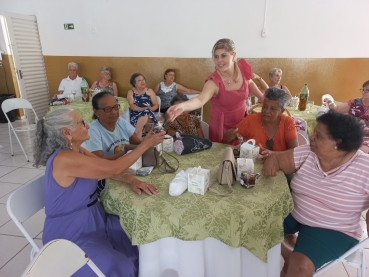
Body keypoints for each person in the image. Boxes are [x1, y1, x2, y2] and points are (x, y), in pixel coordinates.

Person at [33, 108, 165, 277]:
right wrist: (145, 144)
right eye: (81, 123)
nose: (87, 125)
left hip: (93, 218)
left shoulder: (77, 151)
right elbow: (114, 167)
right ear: (66, 132)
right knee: (118, 264)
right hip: (70, 231)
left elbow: (107, 170)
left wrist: (132, 180)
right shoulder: (63, 159)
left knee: (133, 233)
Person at [262, 111, 369, 277]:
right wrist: (272, 160)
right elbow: (279, 159)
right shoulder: (309, 153)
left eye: (318, 136)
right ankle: (286, 255)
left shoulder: (364, 168)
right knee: (253, 224)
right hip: (296, 213)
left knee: (301, 267)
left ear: (338, 143)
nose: (311, 137)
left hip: (334, 229)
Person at [167, 38, 264, 144]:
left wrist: (262, 97)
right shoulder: (213, 82)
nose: (219, 60)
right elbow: (200, 100)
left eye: (223, 55)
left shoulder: (242, 68)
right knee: (223, 156)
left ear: (234, 55)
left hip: (241, 120)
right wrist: (183, 106)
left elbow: (248, 82)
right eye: (216, 56)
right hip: (222, 126)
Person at [82, 91, 143, 195]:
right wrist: (128, 153)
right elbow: (99, 161)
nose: (114, 112)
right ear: (96, 111)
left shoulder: (120, 122)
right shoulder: (93, 130)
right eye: (108, 109)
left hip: (127, 169)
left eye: (116, 107)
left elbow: (137, 143)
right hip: (106, 177)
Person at [225, 87, 297, 149]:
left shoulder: (288, 122)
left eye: (272, 109)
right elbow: (227, 138)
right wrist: (228, 136)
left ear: (282, 111)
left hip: (280, 164)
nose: (267, 111)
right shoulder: (251, 120)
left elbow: (295, 152)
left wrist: (274, 155)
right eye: (265, 106)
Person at [324, 80, 369, 153]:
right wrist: (331, 103)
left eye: (367, 90)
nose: (363, 92)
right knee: (331, 143)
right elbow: (337, 109)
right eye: (363, 89)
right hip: (350, 132)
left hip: (366, 137)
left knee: (358, 152)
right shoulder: (355, 102)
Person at [127, 73, 159, 139]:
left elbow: (156, 105)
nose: (142, 82)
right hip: (136, 114)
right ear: (134, 83)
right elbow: (131, 105)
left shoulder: (149, 91)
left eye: (143, 79)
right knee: (141, 119)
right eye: (139, 80)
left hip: (149, 114)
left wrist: (151, 108)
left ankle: (134, 135)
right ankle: (137, 143)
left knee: (146, 112)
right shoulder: (131, 92)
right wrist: (142, 109)